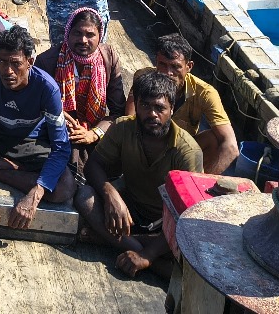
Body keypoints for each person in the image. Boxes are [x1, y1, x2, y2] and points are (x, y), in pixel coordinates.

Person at [76, 71, 203, 278]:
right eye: (145, 106)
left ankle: (122, 245)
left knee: (189, 241)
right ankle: (151, 261)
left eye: (160, 108)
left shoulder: (188, 151)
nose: (152, 114)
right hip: (129, 210)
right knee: (84, 197)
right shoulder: (123, 127)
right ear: (137, 106)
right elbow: (94, 165)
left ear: (172, 108)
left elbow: (189, 216)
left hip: (164, 224)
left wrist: (147, 254)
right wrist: (110, 194)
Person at [0, 25, 75, 229]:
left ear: (30, 62)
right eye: (2, 61)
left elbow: (61, 147)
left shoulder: (47, 88)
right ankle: (2, 168)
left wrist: (35, 195)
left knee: (65, 187)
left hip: (27, 143)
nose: (8, 71)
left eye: (16, 63)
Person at [35, 8, 127, 168]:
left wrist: (93, 133)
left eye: (90, 35)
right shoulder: (47, 61)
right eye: (77, 33)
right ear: (67, 34)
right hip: (58, 126)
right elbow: (38, 105)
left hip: (95, 127)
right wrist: (69, 126)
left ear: (100, 36)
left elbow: (118, 112)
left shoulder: (109, 58)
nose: (83, 40)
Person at [137, 33, 238, 175]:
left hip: (179, 151)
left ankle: (190, 181)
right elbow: (129, 119)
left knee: (214, 138)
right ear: (156, 62)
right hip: (145, 146)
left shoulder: (205, 93)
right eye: (162, 65)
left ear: (189, 66)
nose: (168, 73)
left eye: (175, 66)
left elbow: (231, 147)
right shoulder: (142, 79)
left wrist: (199, 183)